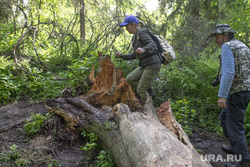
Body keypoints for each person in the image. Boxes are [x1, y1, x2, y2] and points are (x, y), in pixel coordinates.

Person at [208, 24, 250, 167]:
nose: (215, 40)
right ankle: (235, 146)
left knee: (235, 126)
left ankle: (243, 161)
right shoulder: (242, 46)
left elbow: (229, 72)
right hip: (245, 91)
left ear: (225, 35)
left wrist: (222, 95)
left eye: (217, 37)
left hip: (236, 92)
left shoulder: (227, 47)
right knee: (224, 117)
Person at [116, 15, 161, 104]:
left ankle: (150, 108)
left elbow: (152, 45)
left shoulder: (141, 33)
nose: (126, 29)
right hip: (145, 65)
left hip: (152, 64)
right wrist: (122, 56)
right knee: (130, 79)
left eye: (127, 26)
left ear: (133, 25)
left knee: (140, 90)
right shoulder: (135, 37)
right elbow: (134, 55)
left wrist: (143, 49)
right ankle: (149, 93)